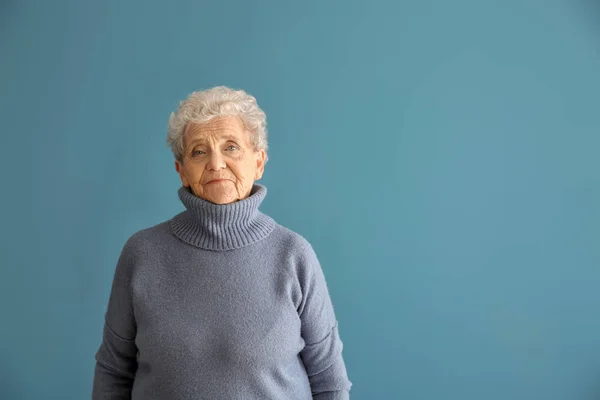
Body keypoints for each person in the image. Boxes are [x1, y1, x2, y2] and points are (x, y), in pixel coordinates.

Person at [92, 86, 352, 399]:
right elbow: (113, 371)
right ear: (182, 171)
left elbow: (329, 381)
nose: (216, 164)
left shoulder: (294, 255)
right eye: (199, 152)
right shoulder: (142, 254)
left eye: (231, 147)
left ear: (258, 161)